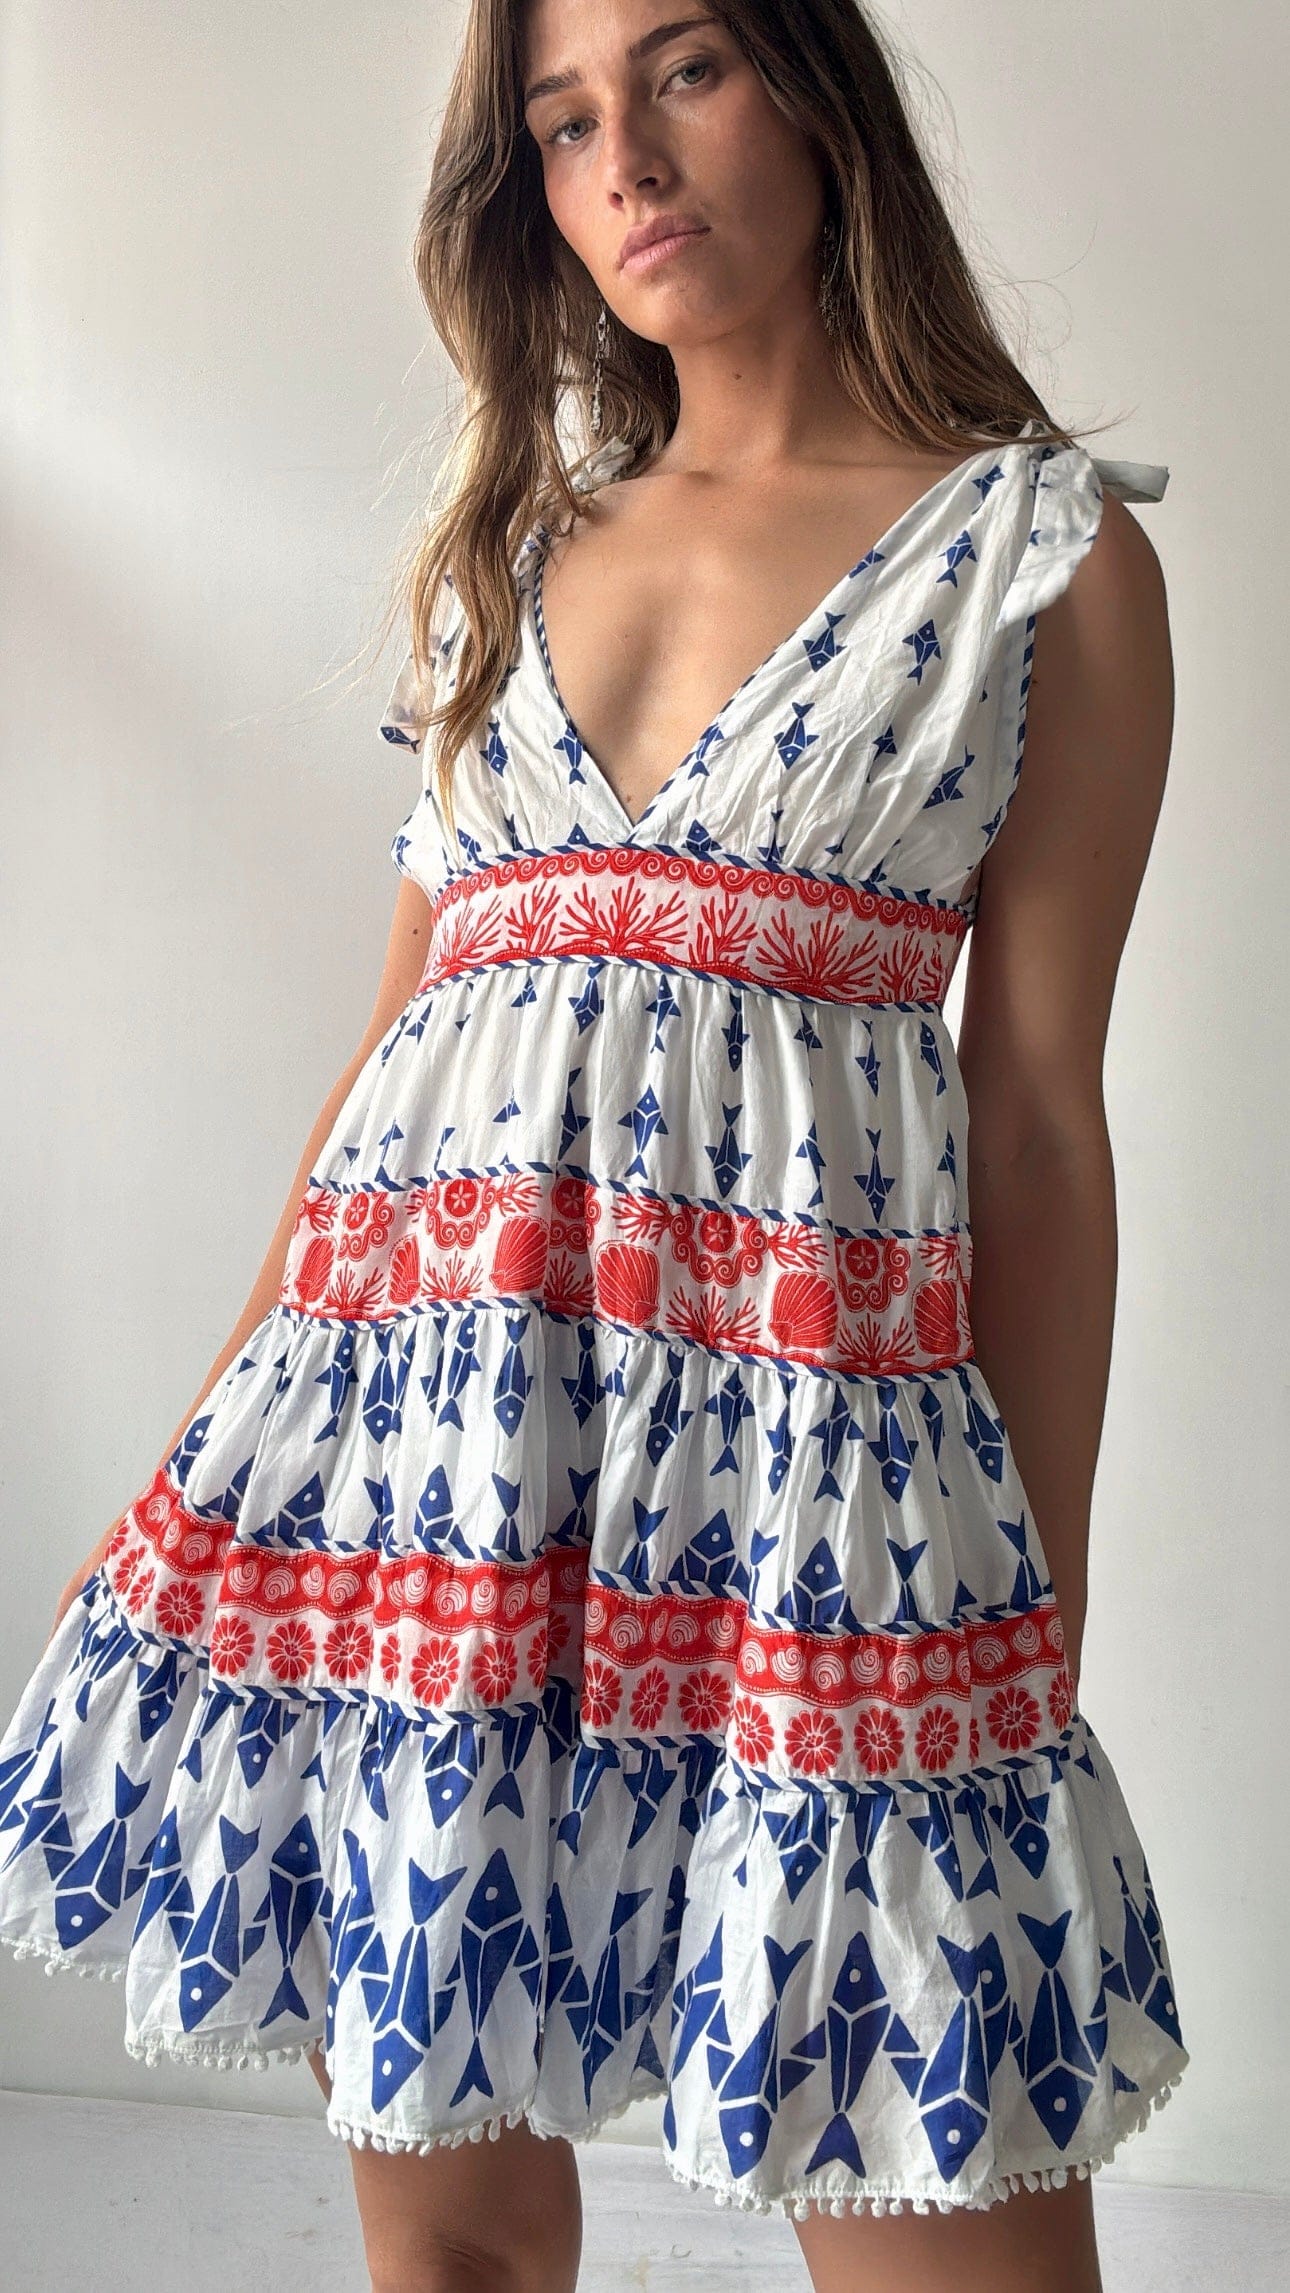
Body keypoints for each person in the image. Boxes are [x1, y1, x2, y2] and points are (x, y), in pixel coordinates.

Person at [0, 4, 1187, 2289]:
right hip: (428, 1468)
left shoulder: (1032, 563)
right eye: (560, 121)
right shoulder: (505, 551)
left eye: (688, 70)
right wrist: (195, 1472)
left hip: (816, 1483)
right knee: (447, 2244)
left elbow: (1041, 1119)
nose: (625, 157)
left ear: (821, 92)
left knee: (948, 2208)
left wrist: (1019, 1627)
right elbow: (394, 1064)